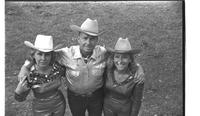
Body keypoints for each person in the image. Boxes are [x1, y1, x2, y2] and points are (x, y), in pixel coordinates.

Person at [17, 18, 144, 116]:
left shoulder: (103, 53)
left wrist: (138, 67)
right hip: (75, 97)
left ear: (97, 40)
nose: (88, 42)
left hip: (97, 96)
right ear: (78, 38)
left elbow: (122, 58)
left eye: (92, 39)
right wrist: (26, 67)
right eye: (85, 38)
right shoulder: (65, 54)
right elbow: (42, 54)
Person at [14, 35, 66, 116]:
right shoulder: (29, 74)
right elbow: (19, 99)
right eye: (39, 54)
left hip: (59, 104)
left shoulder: (58, 67)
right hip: (40, 109)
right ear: (33, 55)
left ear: (51, 55)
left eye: (47, 54)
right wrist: (18, 91)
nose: (43, 58)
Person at [103, 37, 144, 116]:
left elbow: (137, 101)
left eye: (125, 57)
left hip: (125, 112)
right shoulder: (107, 70)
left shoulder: (137, 77)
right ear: (113, 58)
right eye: (117, 56)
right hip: (107, 109)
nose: (120, 61)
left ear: (130, 59)